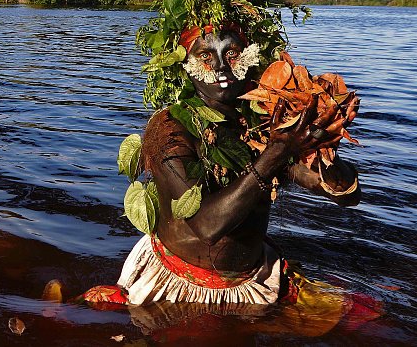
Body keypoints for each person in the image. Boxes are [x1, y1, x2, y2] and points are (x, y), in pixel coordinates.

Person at [79, 23, 361, 312]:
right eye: (205, 56)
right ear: (185, 66)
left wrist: (325, 147)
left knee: (361, 315)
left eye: (233, 53)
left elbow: (346, 196)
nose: (221, 66)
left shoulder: (263, 123)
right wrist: (279, 152)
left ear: (252, 57)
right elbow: (205, 225)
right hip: (180, 286)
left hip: (254, 276)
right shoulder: (170, 130)